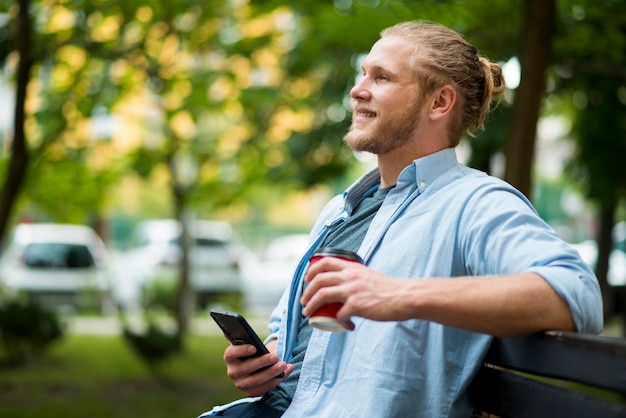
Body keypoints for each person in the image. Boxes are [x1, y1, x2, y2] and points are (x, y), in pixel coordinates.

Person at [199, 20, 603, 418]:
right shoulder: (343, 207)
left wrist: (398, 295)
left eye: (382, 78)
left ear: (439, 103)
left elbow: (576, 292)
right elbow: (289, 328)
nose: (357, 90)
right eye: (363, 74)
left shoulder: (476, 202)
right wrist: (266, 358)